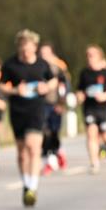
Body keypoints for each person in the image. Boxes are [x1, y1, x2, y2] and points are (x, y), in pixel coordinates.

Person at [0, 30, 57, 207]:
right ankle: (26, 184)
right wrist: (16, 90)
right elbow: (1, 85)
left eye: (28, 47)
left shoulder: (42, 65)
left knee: (34, 147)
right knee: (22, 152)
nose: (25, 51)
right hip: (18, 111)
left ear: (35, 47)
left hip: (36, 110)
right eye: (22, 48)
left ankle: (33, 187)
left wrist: (46, 87)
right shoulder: (10, 65)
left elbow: (54, 80)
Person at [76, 45, 106, 174]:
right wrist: (80, 96)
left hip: (103, 108)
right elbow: (80, 90)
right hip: (89, 108)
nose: (89, 58)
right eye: (88, 55)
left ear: (99, 57)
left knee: (104, 134)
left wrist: (105, 96)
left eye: (92, 55)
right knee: (91, 133)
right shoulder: (84, 73)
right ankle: (94, 162)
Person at [38, 43, 70, 175]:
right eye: (42, 53)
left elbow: (64, 86)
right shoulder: (37, 67)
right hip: (41, 104)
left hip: (55, 103)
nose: (44, 56)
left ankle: (58, 152)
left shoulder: (58, 68)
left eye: (46, 53)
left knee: (54, 131)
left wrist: (61, 103)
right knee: (44, 131)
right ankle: (49, 160)